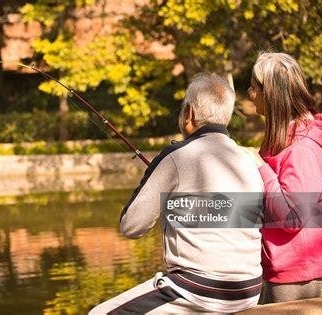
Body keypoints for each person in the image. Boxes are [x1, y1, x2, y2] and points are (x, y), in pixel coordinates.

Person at [89, 73, 264, 314]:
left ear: (189, 113)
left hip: (199, 291)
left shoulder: (176, 156)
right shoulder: (247, 159)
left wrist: (157, 174)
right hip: (249, 290)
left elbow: (132, 226)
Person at [247, 52, 322, 303]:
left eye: (254, 87)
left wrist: (259, 166)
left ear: (272, 94)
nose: (249, 92)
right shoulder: (284, 138)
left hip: (297, 267)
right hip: (282, 263)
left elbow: (293, 216)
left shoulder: (301, 148)